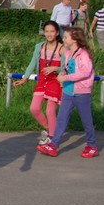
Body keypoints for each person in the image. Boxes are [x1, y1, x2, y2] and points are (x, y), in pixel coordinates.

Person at [37, 27, 98, 158]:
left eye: (66, 37)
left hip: (82, 93)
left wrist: (66, 78)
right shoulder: (69, 53)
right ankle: (53, 145)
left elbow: (85, 72)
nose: (63, 39)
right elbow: (68, 68)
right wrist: (63, 73)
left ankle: (92, 146)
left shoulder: (83, 54)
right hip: (68, 92)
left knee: (87, 121)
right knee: (61, 119)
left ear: (74, 39)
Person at [13, 21, 63, 145]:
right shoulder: (39, 47)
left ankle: (52, 138)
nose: (49, 34)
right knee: (34, 108)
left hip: (55, 82)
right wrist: (25, 78)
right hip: (42, 80)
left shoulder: (62, 48)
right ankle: (48, 128)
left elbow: (66, 67)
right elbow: (33, 63)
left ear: (57, 33)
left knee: (50, 111)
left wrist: (55, 68)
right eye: (46, 31)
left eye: (52, 31)